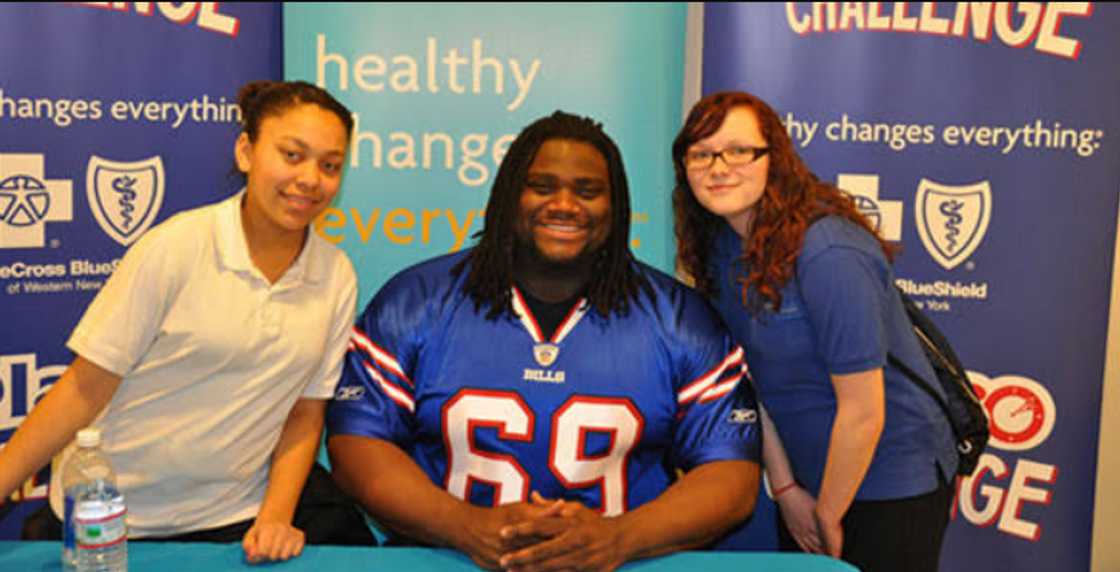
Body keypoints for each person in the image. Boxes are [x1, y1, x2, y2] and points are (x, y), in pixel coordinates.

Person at [326, 111, 761, 571]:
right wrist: (463, 524)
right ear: (509, 196)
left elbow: (731, 475)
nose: (565, 205)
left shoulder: (677, 318)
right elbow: (357, 442)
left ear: (616, 210)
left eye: (588, 191)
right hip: (448, 560)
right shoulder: (418, 301)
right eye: (542, 186)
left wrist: (619, 538)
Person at [0, 80, 373, 562]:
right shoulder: (175, 248)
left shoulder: (335, 274)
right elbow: (83, 388)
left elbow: (305, 412)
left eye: (330, 165)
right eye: (292, 155)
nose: (309, 179)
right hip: (112, 522)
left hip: (235, 522)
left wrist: (275, 517)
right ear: (246, 151)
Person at [671, 90, 958, 572]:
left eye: (739, 150)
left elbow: (864, 411)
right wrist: (786, 489)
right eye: (701, 154)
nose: (719, 167)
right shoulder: (720, 250)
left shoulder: (829, 251)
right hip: (808, 481)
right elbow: (753, 382)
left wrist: (829, 511)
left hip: (891, 482)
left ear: (774, 159)